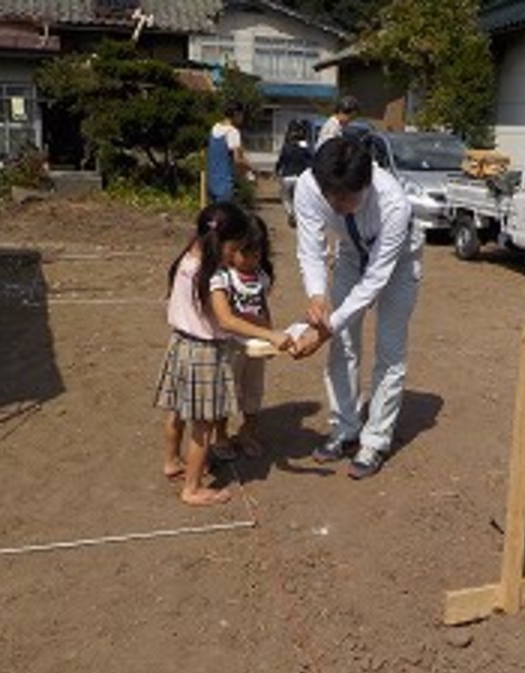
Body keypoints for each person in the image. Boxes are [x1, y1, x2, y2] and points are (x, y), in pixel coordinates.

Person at [291, 136, 421, 479]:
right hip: (349, 252)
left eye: (347, 197)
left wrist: (325, 327)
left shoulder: (392, 202)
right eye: (330, 195)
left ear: (366, 183)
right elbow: (310, 246)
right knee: (343, 345)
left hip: (398, 261)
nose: (336, 204)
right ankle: (345, 429)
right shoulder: (308, 186)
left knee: (389, 351)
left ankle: (376, 439)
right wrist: (317, 295)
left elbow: (375, 281)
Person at [154, 202, 290, 506]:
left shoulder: (189, 255)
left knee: (176, 412)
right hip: (203, 352)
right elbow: (227, 320)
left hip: (179, 344)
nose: (237, 253)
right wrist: (271, 334)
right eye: (236, 246)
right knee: (202, 426)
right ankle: (192, 487)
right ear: (223, 243)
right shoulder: (212, 274)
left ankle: (172, 462)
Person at [210, 215, 277, 458]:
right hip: (230, 346)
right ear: (229, 249)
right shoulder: (223, 277)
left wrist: (271, 335)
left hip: (256, 347)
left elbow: (263, 306)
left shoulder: (261, 276)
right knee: (226, 391)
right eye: (245, 253)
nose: (251, 260)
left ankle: (248, 432)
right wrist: (264, 330)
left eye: (257, 253)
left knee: (253, 391)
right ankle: (221, 436)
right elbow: (226, 316)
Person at [206, 101, 253, 203]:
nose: (243, 118)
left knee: (213, 216)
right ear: (236, 114)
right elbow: (238, 160)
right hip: (225, 185)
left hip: (211, 183)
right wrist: (251, 167)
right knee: (224, 216)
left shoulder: (214, 127)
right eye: (242, 115)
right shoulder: (233, 132)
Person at [275, 119, 313, 227]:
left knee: (285, 197)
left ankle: (290, 213)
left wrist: (277, 171)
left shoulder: (286, 146)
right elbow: (311, 160)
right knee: (298, 198)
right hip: (301, 177)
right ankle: (297, 215)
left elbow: (280, 161)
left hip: (287, 177)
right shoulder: (305, 146)